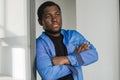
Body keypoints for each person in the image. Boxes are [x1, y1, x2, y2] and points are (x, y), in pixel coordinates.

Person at [36, 1, 98, 80]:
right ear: (40, 21)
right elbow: (48, 75)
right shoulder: (40, 44)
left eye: (57, 14)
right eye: (48, 16)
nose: (54, 19)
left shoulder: (73, 36)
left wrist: (66, 59)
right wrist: (76, 59)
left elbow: (94, 55)